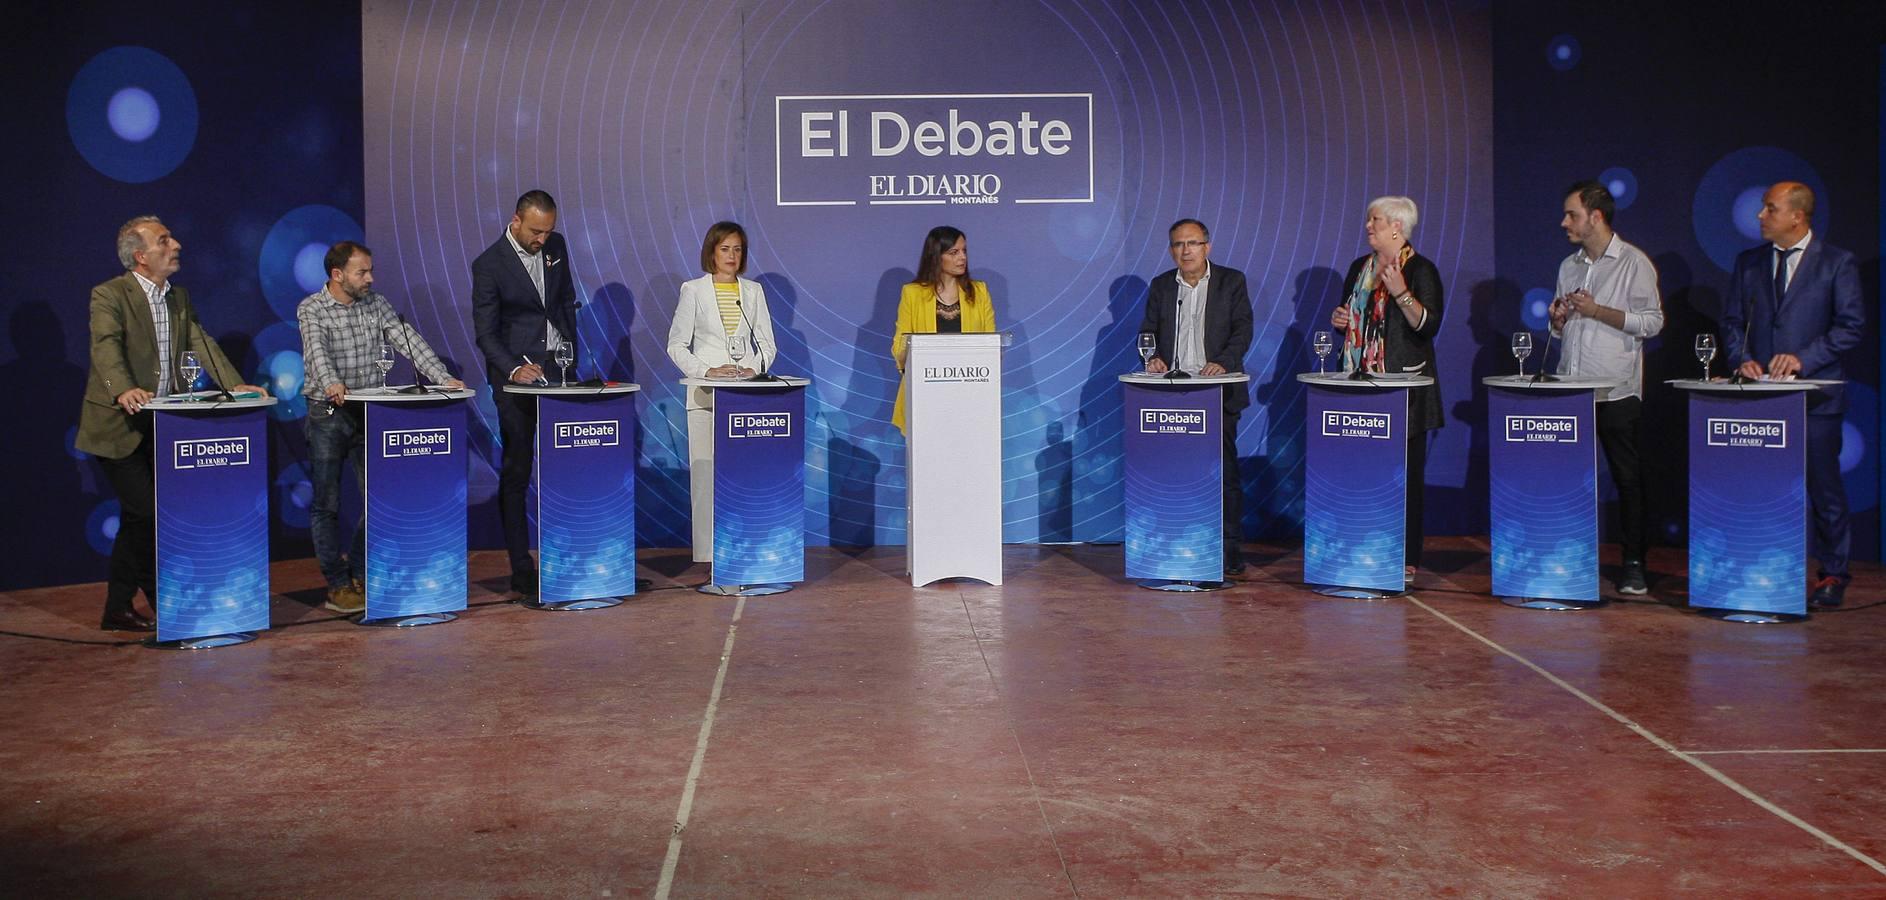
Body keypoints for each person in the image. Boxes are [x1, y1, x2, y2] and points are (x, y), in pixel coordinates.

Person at [77, 216, 270, 631]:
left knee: (140, 516)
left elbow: (202, 342)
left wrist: (235, 385)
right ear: (141, 256)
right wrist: (123, 388)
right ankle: (162, 603)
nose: (176, 244)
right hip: (117, 423)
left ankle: (118, 607)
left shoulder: (178, 298)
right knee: (146, 513)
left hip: (162, 425)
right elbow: (105, 347)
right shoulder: (110, 294)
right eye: (164, 241)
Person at [299, 241, 465, 613]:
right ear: (337, 275)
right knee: (327, 503)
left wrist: (441, 376)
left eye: (370, 270)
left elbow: (409, 342)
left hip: (369, 411)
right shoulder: (312, 308)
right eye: (362, 272)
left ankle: (359, 571)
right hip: (327, 412)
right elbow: (316, 352)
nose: (370, 278)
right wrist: (331, 382)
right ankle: (338, 583)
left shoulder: (377, 303)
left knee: (378, 497)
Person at [1721, 181, 1865, 608]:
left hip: (1817, 398)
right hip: (1761, 400)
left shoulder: (1837, 263)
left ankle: (1833, 574)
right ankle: (1760, 568)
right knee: (1759, 488)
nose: (1760, 216)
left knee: (1824, 488)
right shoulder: (1748, 263)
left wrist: (1804, 358)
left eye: (1770, 208)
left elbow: (1850, 326)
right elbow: (1732, 323)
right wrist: (1741, 359)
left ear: (1797, 216)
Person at [1548, 180, 1664, 596]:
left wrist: (1598, 311)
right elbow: (1562, 331)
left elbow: (1652, 323)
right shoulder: (1569, 266)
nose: (1564, 222)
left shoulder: (1634, 263)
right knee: (1566, 480)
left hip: (1616, 390)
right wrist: (1559, 319)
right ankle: (1569, 557)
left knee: (1627, 478)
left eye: (1572, 215)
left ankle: (1633, 563)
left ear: (1596, 217)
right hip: (1572, 390)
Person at [471, 190, 582, 603]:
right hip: (515, 380)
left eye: (548, 231)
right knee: (518, 470)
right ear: (516, 220)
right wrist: (515, 367)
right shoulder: (488, 265)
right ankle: (521, 567)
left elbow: (565, 300)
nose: (542, 239)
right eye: (536, 231)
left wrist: (572, 352)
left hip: (560, 373)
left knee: (569, 467)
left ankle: (571, 558)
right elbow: (486, 332)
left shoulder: (557, 246)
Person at [1329, 196, 1444, 582]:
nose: (1368, 226)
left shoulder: (1420, 269)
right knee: (1360, 472)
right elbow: (1351, 318)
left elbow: (1427, 326)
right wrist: (1340, 319)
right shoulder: (1358, 268)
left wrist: (1400, 292)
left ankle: (1406, 557)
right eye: (1368, 220)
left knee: (1404, 476)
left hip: (1402, 390)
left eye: (1374, 220)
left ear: (1397, 226)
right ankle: (1359, 543)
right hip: (1359, 386)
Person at [1140, 218, 1255, 576]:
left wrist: (1222, 362)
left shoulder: (1231, 281)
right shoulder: (1161, 286)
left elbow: (1243, 330)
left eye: (1192, 243)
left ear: (1207, 246)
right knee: (1172, 473)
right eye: (1177, 245)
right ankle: (1171, 543)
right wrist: (1152, 357)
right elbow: (1147, 332)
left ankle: (1229, 551)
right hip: (1172, 396)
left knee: (1223, 474)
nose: (1185, 251)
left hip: (1216, 392)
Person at [666, 222, 779, 564]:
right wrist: (706, 371)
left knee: (745, 477)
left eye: (738, 249)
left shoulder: (753, 292)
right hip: (706, 397)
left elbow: (767, 344)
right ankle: (710, 557)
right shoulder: (694, 290)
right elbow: (676, 345)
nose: (732, 256)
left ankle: (748, 550)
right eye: (725, 249)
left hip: (745, 399)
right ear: (712, 252)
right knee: (706, 478)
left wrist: (753, 369)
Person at [891, 226, 997, 434]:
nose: (962, 258)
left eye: (964, 251)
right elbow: (899, 345)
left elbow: (991, 347)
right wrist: (911, 354)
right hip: (925, 396)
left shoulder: (979, 292)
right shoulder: (912, 294)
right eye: (954, 252)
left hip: (971, 396)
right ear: (936, 256)